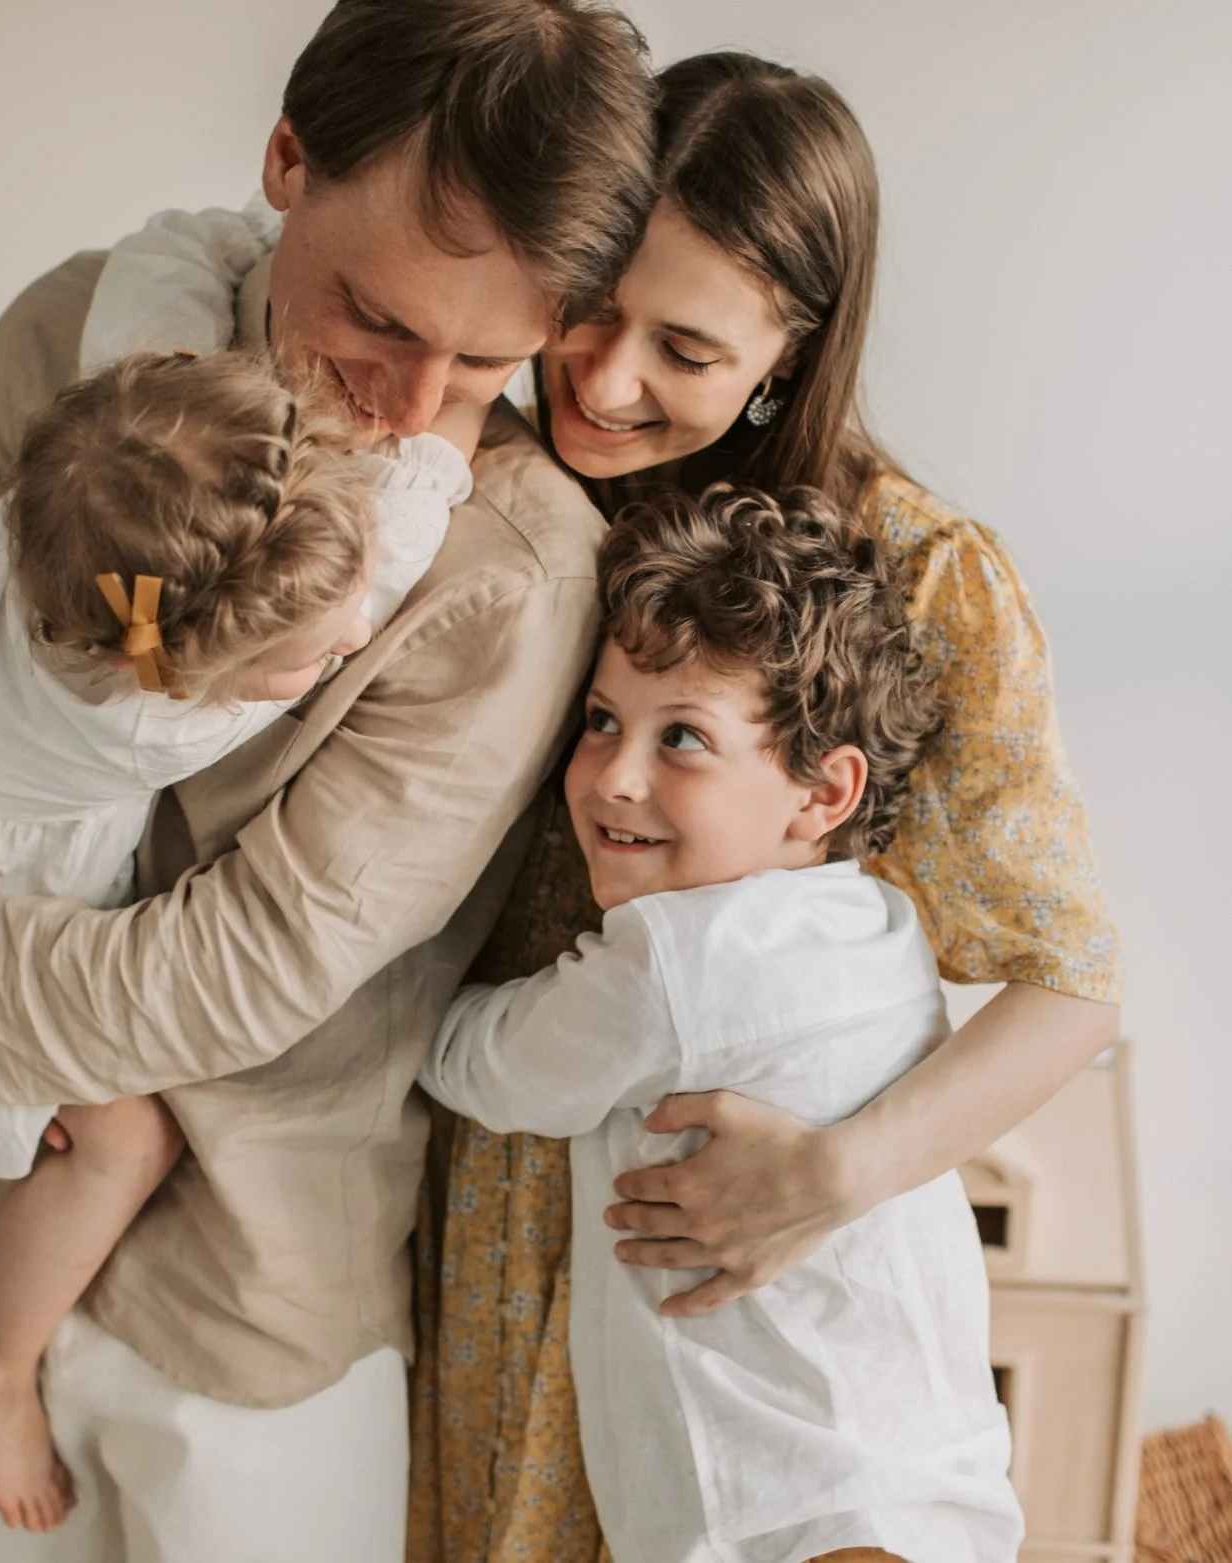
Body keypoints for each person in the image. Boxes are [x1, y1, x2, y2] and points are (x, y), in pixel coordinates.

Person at [0, 3, 658, 1559]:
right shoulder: (71, 333)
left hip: (257, 1296)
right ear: (283, 160)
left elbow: (242, 968)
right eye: (373, 320)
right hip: (0, 1207)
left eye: (486, 361)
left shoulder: (509, 570)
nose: (408, 405)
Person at [409, 52, 1122, 1563]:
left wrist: (828, 1176)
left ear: (787, 353)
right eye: (588, 308)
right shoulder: (477, 490)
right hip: (490, 1227)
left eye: (680, 343)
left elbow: (1068, 987)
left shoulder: (918, 581)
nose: (600, 381)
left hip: (746, 1272)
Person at [0, 346, 482, 1532]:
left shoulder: (62, 524)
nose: (354, 638)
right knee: (118, 1136)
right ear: (179, 680)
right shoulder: (140, 719)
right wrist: (458, 402)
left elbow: (162, 284)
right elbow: (391, 559)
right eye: (313, 660)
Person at [420, 485, 1023, 1563]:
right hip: (927, 1474)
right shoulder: (881, 925)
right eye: (602, 721)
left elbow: (486, 1065)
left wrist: (416, 986)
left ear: (818, 793)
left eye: (683, 737)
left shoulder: (676, 963)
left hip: (775, 1506)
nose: (617, 776)